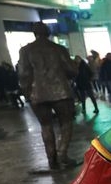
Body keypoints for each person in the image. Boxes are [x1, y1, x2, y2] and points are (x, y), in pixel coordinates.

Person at [18, 22, 79, 171]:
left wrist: (28, 94)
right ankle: (62, 153)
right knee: (66, 123)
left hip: (38, 94)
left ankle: (52, 160)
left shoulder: (25, 51)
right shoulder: (58, 49)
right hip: (61, 92)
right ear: (48, 33)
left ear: (34, 33)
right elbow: (72, 70)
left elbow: (24, 74)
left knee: (45, 126)